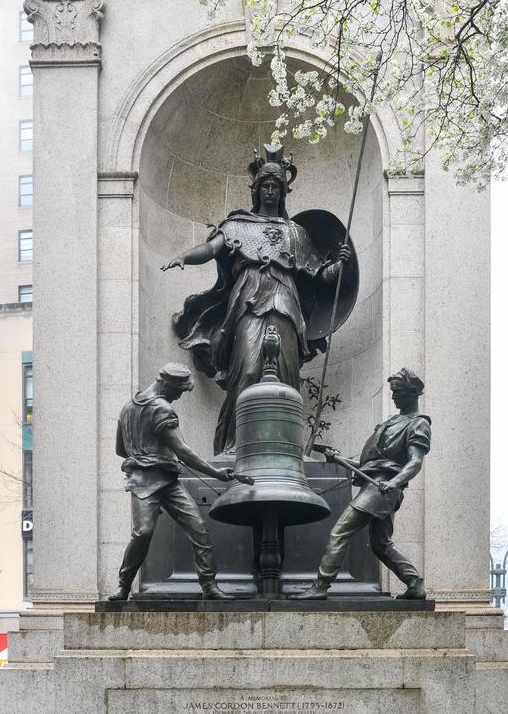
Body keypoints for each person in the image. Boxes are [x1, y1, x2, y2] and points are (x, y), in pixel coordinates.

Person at [162, 143, 353, 454]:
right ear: (255, 189)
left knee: (286, 371)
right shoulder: (237, 225)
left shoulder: (295, 232)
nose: (270, 191)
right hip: (248, 300)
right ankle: (236, 444)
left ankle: (284, 446)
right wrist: (186, 256)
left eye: (275, 186)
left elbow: (319, 275)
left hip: (286, 301)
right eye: (264, 185)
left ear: (283, 191)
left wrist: (340, 265)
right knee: (249, 368)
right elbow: (212, 249)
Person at [293, 368, 431, 600]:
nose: (393, 396)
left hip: (382, 488)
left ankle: (321, 585)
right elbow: (370, 464)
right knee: (380, 544)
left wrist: (394, 482)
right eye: (392, 392)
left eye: (397, 392)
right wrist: (339, 458)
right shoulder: (392, 422)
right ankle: (414, 583)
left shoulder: (418, 424)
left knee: (339, 532)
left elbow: (415, 462)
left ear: (413, 393)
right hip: (378, 485)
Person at [109, 362, 234, 601]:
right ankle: (123, 586)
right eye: (179, 391)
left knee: (198, 528)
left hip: (166, 481)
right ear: (167, 384)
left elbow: (121, 450)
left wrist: (147, 454)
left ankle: (209, 586)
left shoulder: (128, 407)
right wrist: (216, 473)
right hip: (146, 481)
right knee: (143, 532)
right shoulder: (161, 409)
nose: (179, 397)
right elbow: (184, 451)